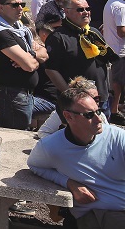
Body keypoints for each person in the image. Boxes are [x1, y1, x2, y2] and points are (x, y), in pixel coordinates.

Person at [28, 85, 125, 228]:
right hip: (101, 213)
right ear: (68, 116)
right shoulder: (50, 146)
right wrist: (69, 183)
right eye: (89, 115)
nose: (99, 120)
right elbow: (34, 166)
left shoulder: (117, 137)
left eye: (98, 111)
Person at [0, 0, 48, 129]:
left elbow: (44, 51)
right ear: (1, 7)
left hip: (23, 94)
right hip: (12, 94)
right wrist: (30, 58)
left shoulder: (19, 28)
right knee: (15, 135)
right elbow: (29, 66)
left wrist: (31, 55)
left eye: (22, 4)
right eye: (14, 5)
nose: (20, 8)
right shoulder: (1, 32)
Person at [46, 0, 118, 115]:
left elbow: (106, 61)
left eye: (88, 8)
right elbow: (51, 70)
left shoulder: (94, 33)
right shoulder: (58, 37)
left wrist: (109, 91)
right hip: (77, 105)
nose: (86, 12)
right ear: (67, 11)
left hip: (101, 98)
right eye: (80, 9)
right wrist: (70, 96)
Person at [103, 0, 125, 116]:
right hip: (120, 51)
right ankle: (114, 110)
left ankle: (117, 107)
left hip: (113, 48)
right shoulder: (121, 7)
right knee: (118, 82)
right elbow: (121, 31)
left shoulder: (111, 1)